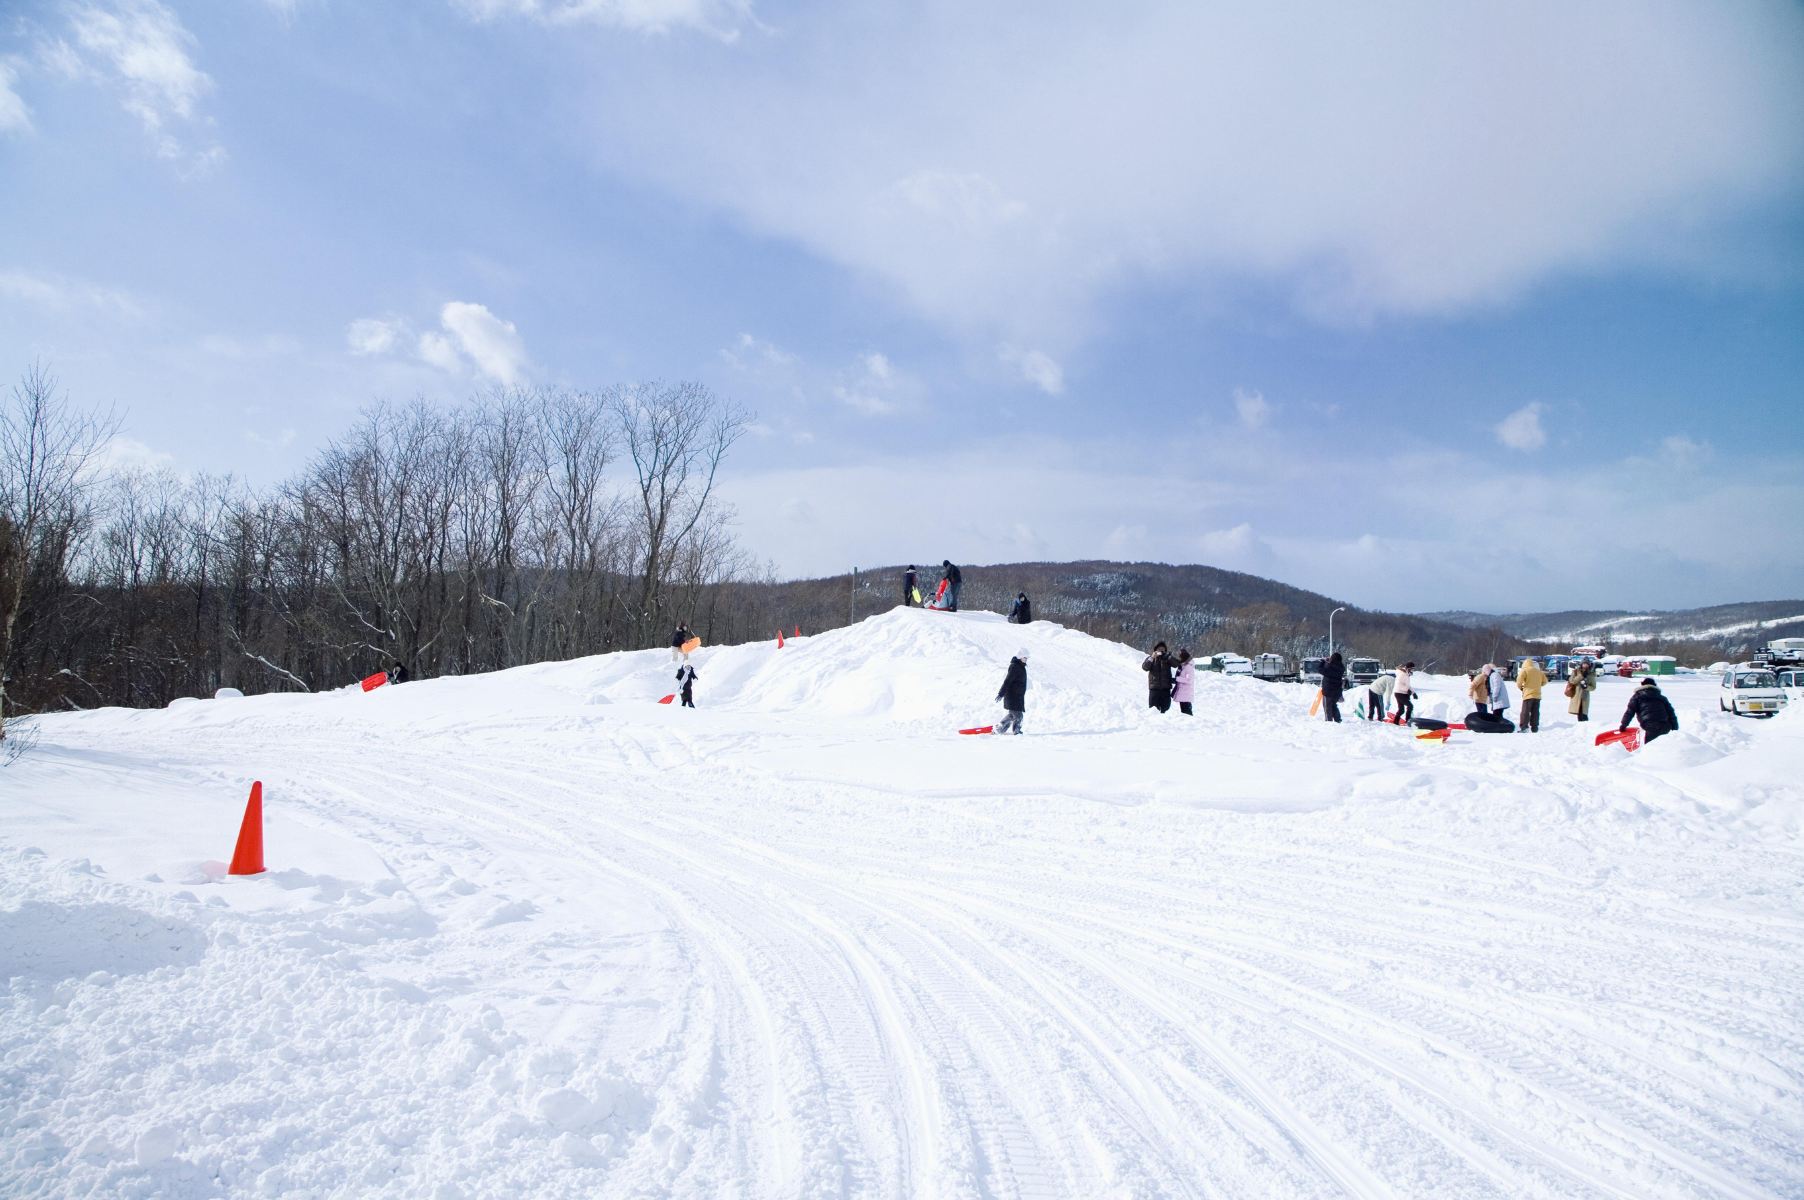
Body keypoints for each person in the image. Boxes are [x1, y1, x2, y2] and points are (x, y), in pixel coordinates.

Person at [1620, 676, 1678, 743]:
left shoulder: (1637, 697)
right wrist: (1675, 727)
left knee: (1651, 749)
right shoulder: (1662, 697)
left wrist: (1623, 725)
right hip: (1665, 726)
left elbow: (1630, 712)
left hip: (1650, 726)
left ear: (1642, 685)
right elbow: (1671, 713)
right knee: (1664, 747)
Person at [995, 649, 1028, 735]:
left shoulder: (1020, 666)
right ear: (1020, 656)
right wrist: (1001, 693)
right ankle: (1016, 732)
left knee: (1012, 715)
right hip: (1013, 696)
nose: (1026, 659)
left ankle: (999, 728)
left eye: (1027, 658)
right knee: (1018, 716)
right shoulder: (1015, 666)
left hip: (1017, 696)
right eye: (1025, 657)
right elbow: (1007, 681)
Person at [1142, 642, 1177, 713]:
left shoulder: (1168, 659)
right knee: (1153, 711)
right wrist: (1152, 657)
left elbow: (1176, 664)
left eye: (1163, 650)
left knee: (1166, 710)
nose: (1161, 651)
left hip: (1166, 689)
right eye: (1159, 650)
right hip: (1154, 689)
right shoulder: (1151, 658)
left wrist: (1169, 657)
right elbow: (1145, 667)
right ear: (1155, 651)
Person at [1516, 657, 1548, 732]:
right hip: (1537, 695)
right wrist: (1538, 685)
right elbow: (1545, 681)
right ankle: (1535, 728)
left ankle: (1524, 727)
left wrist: (1521, 688)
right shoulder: (1539, 672)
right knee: (1535, 712)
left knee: (1525, 712)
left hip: (1528, 694)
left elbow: (1519, 681)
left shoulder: (1525, 670)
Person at [1320, 651, 1346, 723]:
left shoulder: (1330, 666)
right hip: (1337, 691)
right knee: (1334, 706)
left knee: (1327, 707)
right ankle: (1338, 720)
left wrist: (1322, 662)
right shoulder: (1341, 667)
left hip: (1328, 691)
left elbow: (1320, 670)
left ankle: (1329, 722)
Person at [1173, 649, 1196, 715]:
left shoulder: (1188, 667)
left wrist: (1177, 679)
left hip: (1186, 693)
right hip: (1183, 692)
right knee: (1184, 711)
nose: (1179, 659)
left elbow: (1189, 680)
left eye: (1180, 657)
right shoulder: (1184, 666)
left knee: (1187, 712)